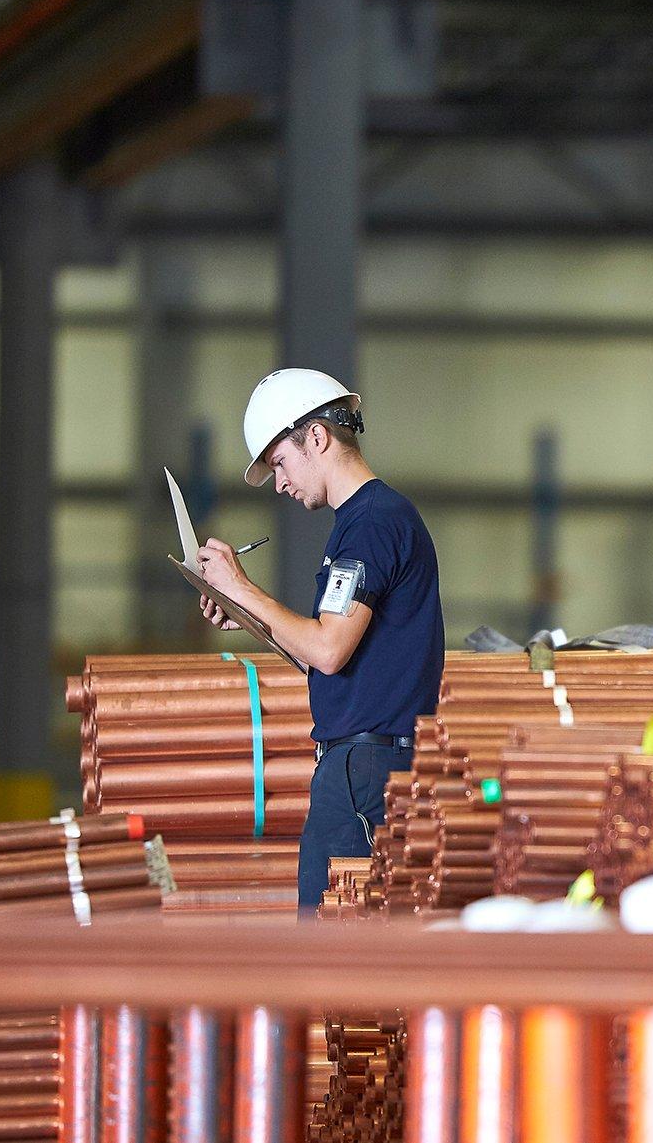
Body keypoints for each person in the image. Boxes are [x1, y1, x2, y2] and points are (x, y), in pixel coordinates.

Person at [193, 368, 444, 910]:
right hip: (368, 765)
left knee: (328, 954)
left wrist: (242, 586)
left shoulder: (372, 523)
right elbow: (330, 660)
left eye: (280, 462)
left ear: (316, 436)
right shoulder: (366, 522)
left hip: (365, 770)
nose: (280, 483)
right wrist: (250, 614)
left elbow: (328, 651)